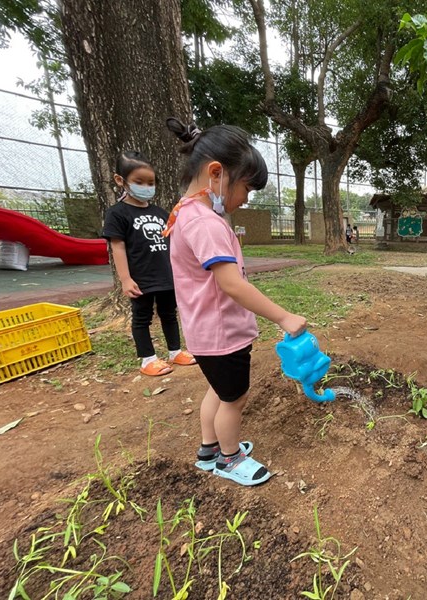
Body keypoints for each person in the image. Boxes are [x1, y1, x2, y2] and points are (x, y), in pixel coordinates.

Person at [163, 118, 307, 487]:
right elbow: (231, 285)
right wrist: (284, 316)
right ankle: (230, 458)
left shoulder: (188, 213)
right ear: (217, 173)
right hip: (222, 332)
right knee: (235, 399)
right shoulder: (206, 224)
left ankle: (208, 450)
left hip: (205, 332)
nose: (245, 200)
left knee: (219, 390)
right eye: (245, 188)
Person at [102, 151, 196, 377]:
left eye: (150, 182)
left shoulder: (161, 213)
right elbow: (118, 247)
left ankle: (175, 352)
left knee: (169, 314)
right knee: (142, 317)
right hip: (141, 277)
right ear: (120, 180)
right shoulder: (117, 213)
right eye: (139, 182)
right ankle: (148, 359)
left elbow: (173, 242)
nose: (146, 187)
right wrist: (125, 279)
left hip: (166, 274)